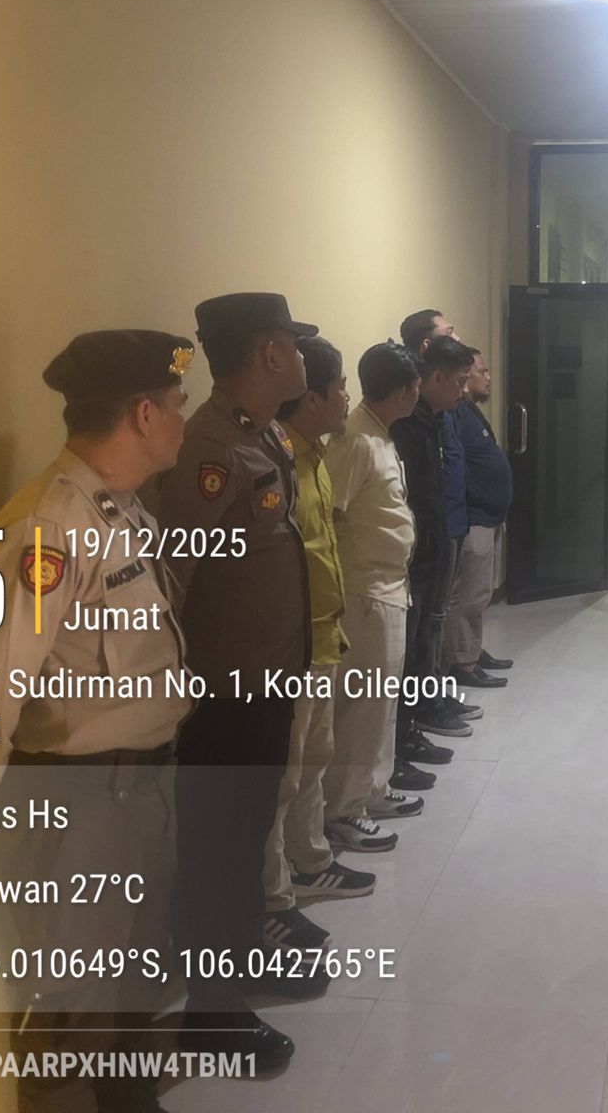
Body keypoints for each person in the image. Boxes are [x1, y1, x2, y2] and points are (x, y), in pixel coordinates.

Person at [0, 329, 195, 1113]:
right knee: (79, 998)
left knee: (133, 974)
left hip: (137, 786)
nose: (183, 417)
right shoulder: (47, 528)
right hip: (80, 800)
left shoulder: (117, 510)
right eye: (178, 401)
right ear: (144, 414)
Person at [150, 292, 323, 1071]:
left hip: (265, 683)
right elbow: (173, 580)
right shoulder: (211, 451)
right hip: (224, 696)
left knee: (246, 839)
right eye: (293, 344)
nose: (301, 357)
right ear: (269, 353)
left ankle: (243, 964)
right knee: (216, 855)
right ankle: (212, 1016)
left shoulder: (260, 432)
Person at [263, 336, 380, 910]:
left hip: (323, 636)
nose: (347, 400)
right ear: (312, 399)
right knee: (283, 775)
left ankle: (311, 861)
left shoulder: (315, 457)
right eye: (340, 389)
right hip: (289, 644)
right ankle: (273, 891)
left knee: (314, 758)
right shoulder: (275, 463)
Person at [325, 342, 433, 823]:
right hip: (364, 592)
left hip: (389, 588)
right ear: (405, 392)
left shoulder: (379, 433)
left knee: (382, 702)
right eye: (416, 386)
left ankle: (374, 789)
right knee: (363, 707)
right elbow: (330, 516)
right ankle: (346, 808)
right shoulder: (356, 441)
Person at [391, 335, 479, 750]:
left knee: (429, 631)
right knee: (414, 640)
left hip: (437, 540)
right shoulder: (408, 424)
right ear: (437, 377)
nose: (465, 389)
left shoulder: (436, 419)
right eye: (459, 381)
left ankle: (428, 702)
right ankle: (410, 724)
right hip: (417, 551)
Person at [445, 347, 515, 686]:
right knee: (469, 594)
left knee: (481, 592)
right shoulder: (454, 413)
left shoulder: (470, 410)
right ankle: (462, 663)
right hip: (474, 518)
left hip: (488, 516)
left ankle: (472, 649)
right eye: (481, 372)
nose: (488, 377)